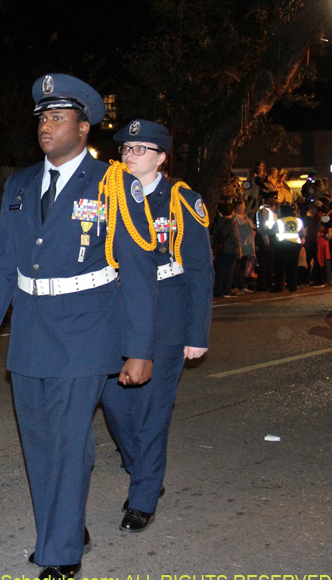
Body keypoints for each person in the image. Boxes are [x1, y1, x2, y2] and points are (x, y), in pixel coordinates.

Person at [0, 74, 157, 580]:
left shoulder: (115, 183)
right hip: (30, 329)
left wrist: (138, 349)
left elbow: (139, 271)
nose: (46, 126)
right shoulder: (21, 184)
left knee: (69, 441)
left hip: (87, 329)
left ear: (83, 127)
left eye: (57, 117)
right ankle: (68, 528)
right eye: (42, 118)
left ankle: (61, 552)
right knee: (40, 443)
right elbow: (3, 264)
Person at [100, 120, 213, 533]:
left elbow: (199, 270)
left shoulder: (182, 200)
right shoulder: (108, 194)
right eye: (125, 149)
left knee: (152, 409)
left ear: (162, 157)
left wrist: (197, 333)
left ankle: (143, 496)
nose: (129, 155)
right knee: (114, 404)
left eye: (140, 149)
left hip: (167, 311)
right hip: (115, 310)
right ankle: (143, 468)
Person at [272, 203, 304, 293]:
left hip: (282, 245)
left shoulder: (279, 221)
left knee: (280, 267)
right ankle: (292, 286)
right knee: (292, 267)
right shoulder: (298, 221)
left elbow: (274, 231)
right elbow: (303, 233)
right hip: (295, 246)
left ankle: (278, 287)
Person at [212, 203, 240, 297]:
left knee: (220, 270)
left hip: (220, 249)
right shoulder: (232, 222)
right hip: (230, 249)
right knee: (229, 271)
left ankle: (218, 289)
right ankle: (226, 289)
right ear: (232, 211)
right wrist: (239, 247)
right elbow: (235, 236)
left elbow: (214, 235)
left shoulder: (218, 222)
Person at [255, 192, 278, 291]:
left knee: (269, 263)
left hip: (269, 237)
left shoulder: (270, 210)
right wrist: (266, 240)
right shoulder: (263, 211)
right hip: (265, 238)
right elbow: (262, 228)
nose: (275, 200)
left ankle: (268, 283)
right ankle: (263, 284)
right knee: (264, 263)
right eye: (273, 198)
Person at [232, 199, 256, 293]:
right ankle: (238, 285)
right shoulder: (235, 218)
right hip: (241, 244)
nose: (244, 208)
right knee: (238, 266)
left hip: (248, 244)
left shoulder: (245, 217)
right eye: (242, 206)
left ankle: (242, 285)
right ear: (237, 207)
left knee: (243, 266)